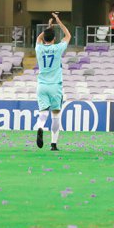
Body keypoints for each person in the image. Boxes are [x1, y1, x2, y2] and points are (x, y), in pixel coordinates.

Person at [35, 13, 72, 152]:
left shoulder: (39, 48)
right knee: (56, 115)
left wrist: (48, 27)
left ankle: (39, 126)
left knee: (43, 112)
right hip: (55, 85)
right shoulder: (57, 48)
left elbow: (40, 38)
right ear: (55, 39)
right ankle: (53, 144)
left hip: (42, 85)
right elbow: (68, 35)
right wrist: (58, 21)